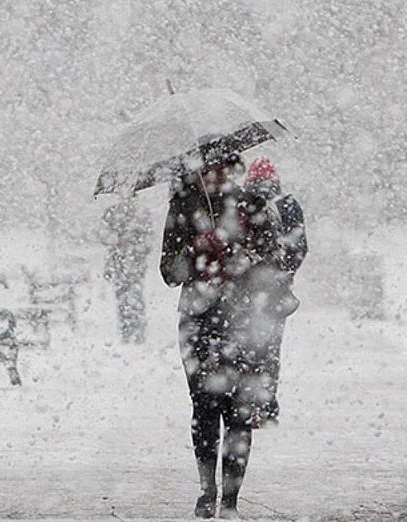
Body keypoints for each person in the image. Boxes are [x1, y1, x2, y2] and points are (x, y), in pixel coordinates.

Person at [160, 150, 268, 519]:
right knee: (204, 409)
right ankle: (207, 491)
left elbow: (273, 262)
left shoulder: (251, 205)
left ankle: (231, 501)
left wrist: (239, 255)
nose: (217, 175)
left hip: (243, 321)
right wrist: (197, 249)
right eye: (210, 169)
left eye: (224, 168)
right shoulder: (184, 206)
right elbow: (168, 271)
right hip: (199, 319)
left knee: (239, 411)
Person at [237, 156, 308, 429]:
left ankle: (248, 402)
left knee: (245, 347)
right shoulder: (288, 205)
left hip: (246, 291)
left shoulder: (243, 205)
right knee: (270, 349)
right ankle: (266, 405)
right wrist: (285, 272)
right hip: (276, 292)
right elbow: (300, 247)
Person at [101, 195, 152, 344]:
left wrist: (134, 244)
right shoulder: (111, 213)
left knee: (135, 294)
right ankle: (126, 329)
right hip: (119, 263)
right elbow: (102, 235)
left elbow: (148, 241)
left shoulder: (141, 216)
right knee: (122, 295)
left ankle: (138, 329)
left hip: (135, 264)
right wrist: (117, 240)